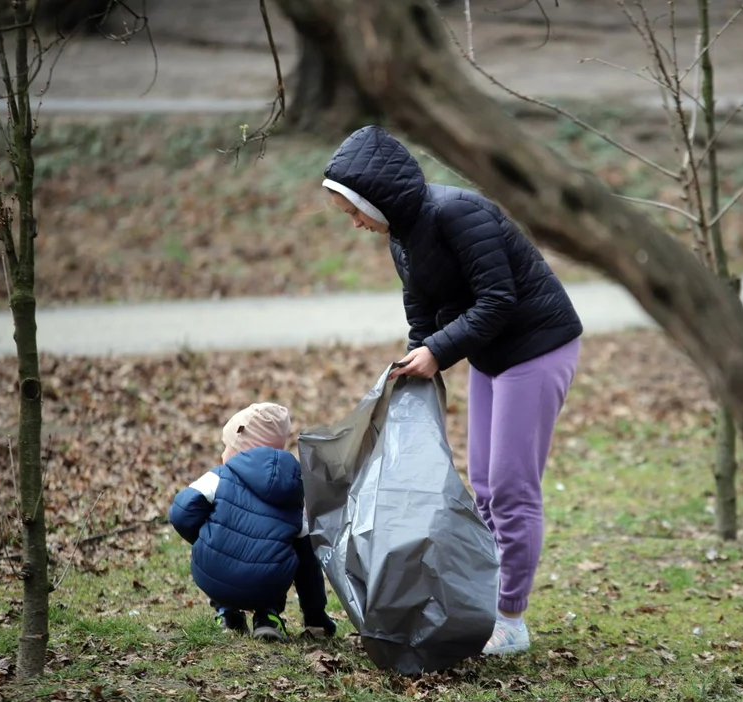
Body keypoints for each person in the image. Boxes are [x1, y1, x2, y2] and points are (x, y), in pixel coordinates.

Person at [321, 125, 583, 655]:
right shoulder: (403, 232)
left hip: (536, 348)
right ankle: (485, 602)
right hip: (491, 355)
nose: (354, 224)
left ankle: (511, 618)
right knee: (484, 488)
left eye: (353, 211)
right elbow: (419, 305)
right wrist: (421, 353)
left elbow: (498, 299)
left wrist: (439, 351)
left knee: (511, 490)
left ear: (376, 197)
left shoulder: (458, 213)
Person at [168, 402, 336, 641]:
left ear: (241, 450)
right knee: (287, 551)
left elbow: (180, 513)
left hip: (213, 575)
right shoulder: (293, 493)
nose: (223, 453)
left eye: (227, 446)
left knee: (231, 559)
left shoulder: (218, 477)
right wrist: (315, 615)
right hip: (266, 585)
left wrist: (210, 538)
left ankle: (228, 614)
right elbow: (309, 565)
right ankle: (268, 616)